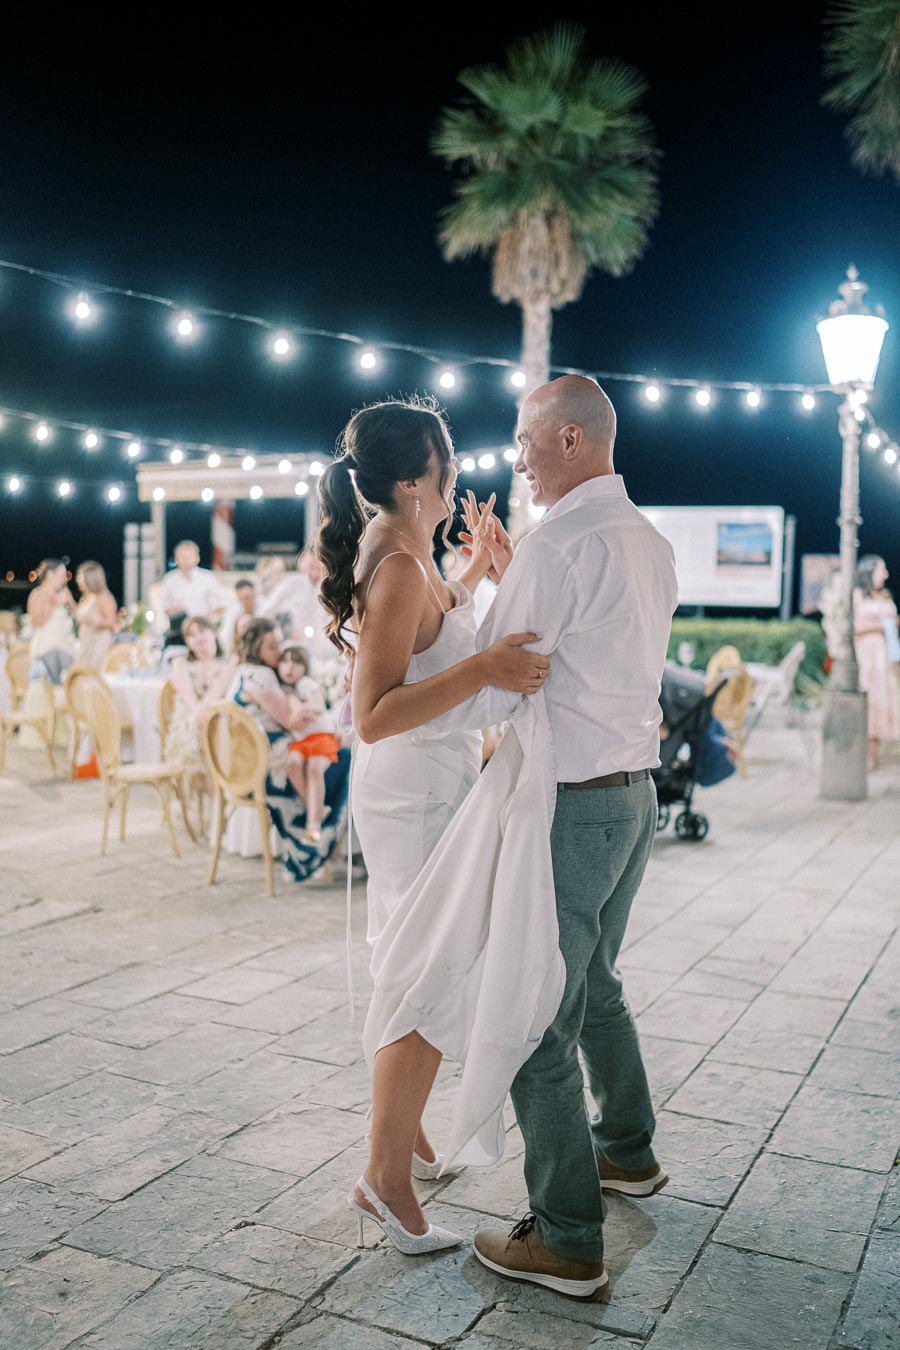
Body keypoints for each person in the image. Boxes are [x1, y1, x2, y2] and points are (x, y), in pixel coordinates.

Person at [420, 375, 676, 1298]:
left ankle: (568, 1236)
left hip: (569, 806)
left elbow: (497, 687)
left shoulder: (559, 543)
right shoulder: (645, 540)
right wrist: (506, 570)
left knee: (533, 1017)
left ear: (571, 440)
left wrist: (454, 629)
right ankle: (629, 1151)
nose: (517, 454)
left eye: (528, 438)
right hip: (634, 797)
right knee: (597, 978)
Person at [316, 395, 550, 1256]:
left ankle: (398, 1133)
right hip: (413, 789)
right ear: (418, 480)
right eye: (448, 469)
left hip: (421, 782)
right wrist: (489, 664)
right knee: (429, 974)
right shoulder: (399, 565)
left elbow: (427, 627)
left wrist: (482, 574)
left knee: (409, 958)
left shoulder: (405, 548)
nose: (458, 484)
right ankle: (386, 1180)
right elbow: (373, 713)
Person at [227, 617, 348, 880]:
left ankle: (328, 850)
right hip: (264, 764)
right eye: (272, 646)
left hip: (246, 760)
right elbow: (290, 720)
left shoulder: (246, 671)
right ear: (255, 648)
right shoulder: (261, 676)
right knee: (344, 761)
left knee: (322, 758)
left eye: (281, 643)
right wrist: (309, 706)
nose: (280, 651)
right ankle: (321, 852)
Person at [277, 644, 339, 844]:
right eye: (285, 661)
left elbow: (319, 706)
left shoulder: (306, 684)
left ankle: (313, 827)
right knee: (292, 763)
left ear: (304, 667)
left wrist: (300, 707)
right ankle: (317, 809)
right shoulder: (286, 689)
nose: (289, 667)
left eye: (296, 662)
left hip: (321, 735)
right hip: (302, 740)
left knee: (314, 770)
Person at [166, 617, 234, 772]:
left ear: (213, 632)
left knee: (218, 727)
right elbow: (187, 695)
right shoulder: (180, 662)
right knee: (194, 727)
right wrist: (198, 712)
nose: (198, 638)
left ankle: (219, 788)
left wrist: (203, 712)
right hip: (190, 716)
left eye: (202, 631)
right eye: (192, 635)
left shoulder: (228, 663)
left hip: (218, 717)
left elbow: (218, 690)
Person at [854, 555, 900, 770]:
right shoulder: (857, 596)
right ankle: (863, 755)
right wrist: (881, 625)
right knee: (868, 702)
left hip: (884, 656)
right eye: (882, 569)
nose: (886, 574)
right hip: (866, 656)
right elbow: (853, 627)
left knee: (881, 702)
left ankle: (874, 755)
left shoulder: (884, 596)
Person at [161, 540, 231, 645]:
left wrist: (211, 614)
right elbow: (163, 606)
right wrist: (173, 610)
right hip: (178, 631)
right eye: (182, 557)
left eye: (188, 557)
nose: (185, 560)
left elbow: (225, 600)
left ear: (197, 558)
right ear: (176, 559)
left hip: (203, 629)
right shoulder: (169, 580)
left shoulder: (208, 578)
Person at [27, 559, 77, 683]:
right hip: (47, 648)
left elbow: (77, 615)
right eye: (61, 575)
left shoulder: (64, 593)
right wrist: (55, 604)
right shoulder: (38, 594)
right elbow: (36, 622)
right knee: (53, 686)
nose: (64, 579)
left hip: (65, 647)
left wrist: (70, 601)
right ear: (50, 575)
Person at [75, 562, 119, 670]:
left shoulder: (103, 596)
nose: (78, 580)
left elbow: (112, 622)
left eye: (81, 577)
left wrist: (93, 622)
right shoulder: (87, 597)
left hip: (98, 642)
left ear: (90, 578)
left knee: (94, 672)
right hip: (86, 640)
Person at [220, 578, 258, 655]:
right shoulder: (233, 611)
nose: (244, 602)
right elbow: (226, 634)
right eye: (240, 599)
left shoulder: (265, 606)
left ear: (254, 593)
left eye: (247, 597)